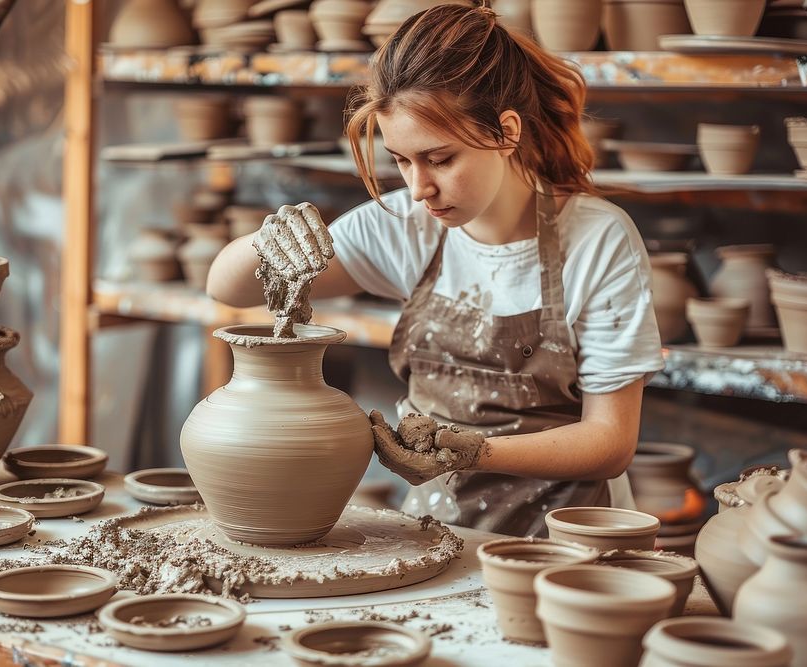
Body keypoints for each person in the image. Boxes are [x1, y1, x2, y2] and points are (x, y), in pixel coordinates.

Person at [206, 3, 663, 537]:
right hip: (436, 529)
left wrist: (475, 453)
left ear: (505, 132)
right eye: (401, 160)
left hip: (565, 540)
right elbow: (227, 288)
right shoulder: (406, 223)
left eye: (440, 159)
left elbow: (610, 443)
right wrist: (270, 241)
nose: (419, 187)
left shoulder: (599, 239)